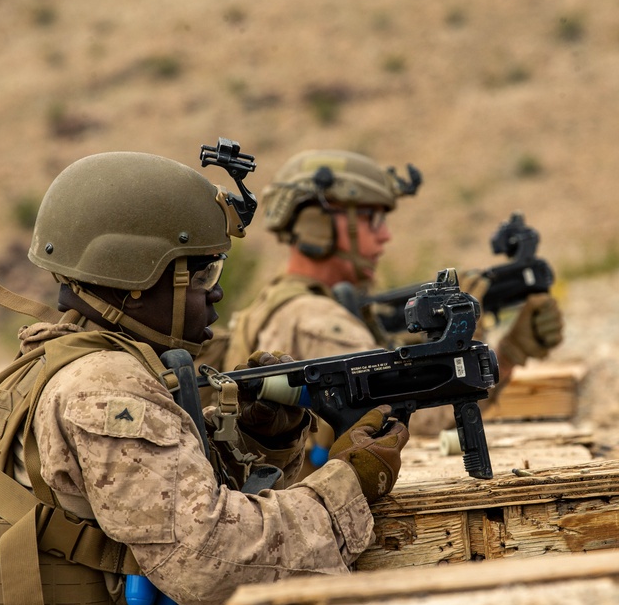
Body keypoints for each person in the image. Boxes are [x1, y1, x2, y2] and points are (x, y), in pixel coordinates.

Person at [0, 150, 409, 605]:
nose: (216, 293)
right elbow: (208, 561)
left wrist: (256, 438)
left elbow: (160, 497)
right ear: (136, 277)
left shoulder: (54, 362)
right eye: (202, 274)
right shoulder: (104, 389)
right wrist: (351, 482)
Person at [214, 149, 564, 473]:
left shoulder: (280, 301)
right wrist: (483, 341)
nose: (385, 237)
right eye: (372, 220)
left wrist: (506, 351)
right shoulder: (318, 322)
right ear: (317, 225)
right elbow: (416, 427)